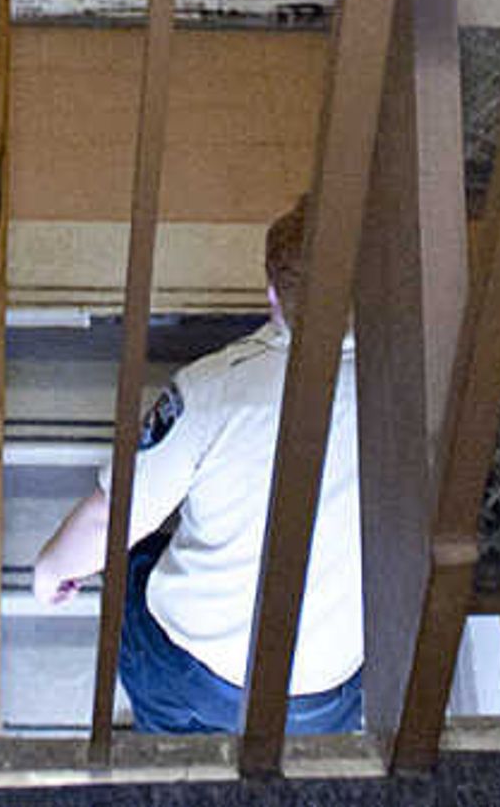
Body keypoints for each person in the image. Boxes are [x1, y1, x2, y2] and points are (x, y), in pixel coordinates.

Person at [25, 200, 363, 734]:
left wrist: (50, 572)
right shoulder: (416, 387)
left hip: (196, 671)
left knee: (134, 566)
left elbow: (110, 521)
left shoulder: (213, 392)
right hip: (326, 689)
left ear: (274, 295)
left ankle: (171, 749)